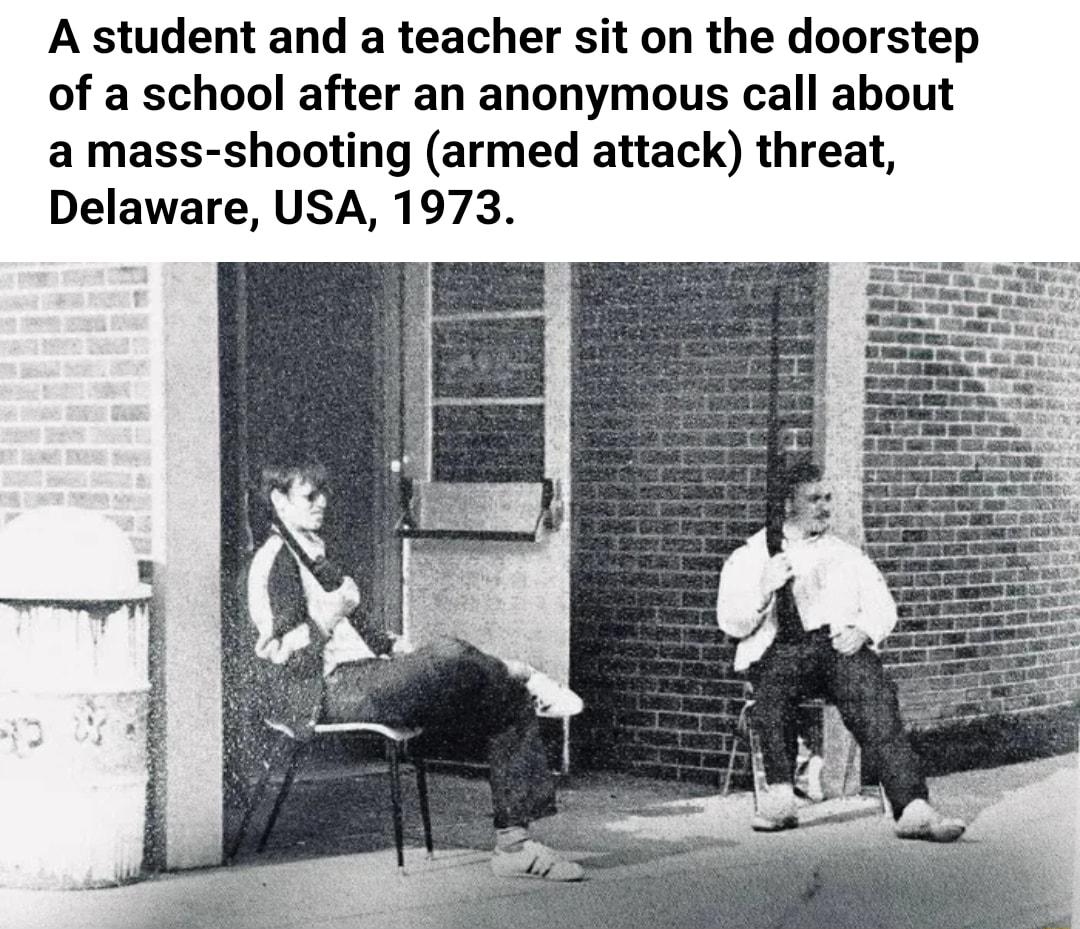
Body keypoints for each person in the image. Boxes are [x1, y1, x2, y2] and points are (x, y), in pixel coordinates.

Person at [246, 460, 586, 880]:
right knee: (450, 655)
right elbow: (276, 657)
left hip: (369, 674)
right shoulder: (273, 562)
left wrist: (394, 646)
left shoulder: (314, 549)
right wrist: (327, 619)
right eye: (309, 496)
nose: (323, 503)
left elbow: (359, 624)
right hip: (325, 690)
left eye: (324, 493)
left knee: (502, 694)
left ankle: (514, 845)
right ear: (279, 500)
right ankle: (520, 671)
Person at [716, 461, 965, 842]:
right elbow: (731, 623)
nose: (824, 507)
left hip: (834, 650)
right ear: (787, 505)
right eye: (814, 499)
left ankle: (912, 806)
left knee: (874, 689)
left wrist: (863, 631)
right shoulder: (752, 555)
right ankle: (781, 798)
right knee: (773, 685)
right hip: (780, 652)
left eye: (828, 498)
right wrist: (764, 589)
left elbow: (884, 605)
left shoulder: (845, 554)